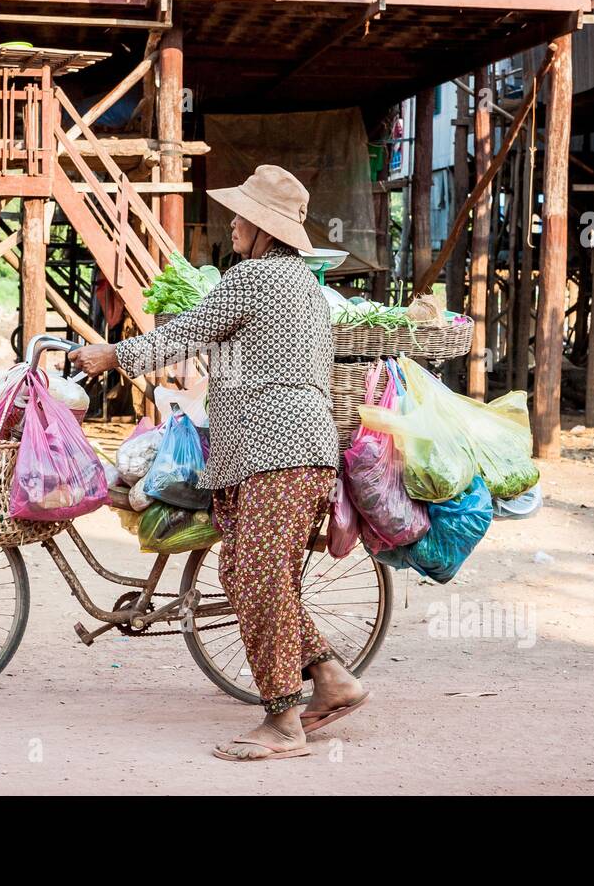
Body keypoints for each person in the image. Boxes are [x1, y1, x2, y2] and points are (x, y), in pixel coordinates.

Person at [70, 164, 371, 762]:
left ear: (263, 228)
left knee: (257, 580)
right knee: (250, 578)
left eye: (241, 215)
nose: (232, 224)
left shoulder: (257, 277)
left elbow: (188, 330)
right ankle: (332, 678)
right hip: (281, 456)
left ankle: (284, 723)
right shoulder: (303, 285)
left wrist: (113, 354)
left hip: (276, 455)